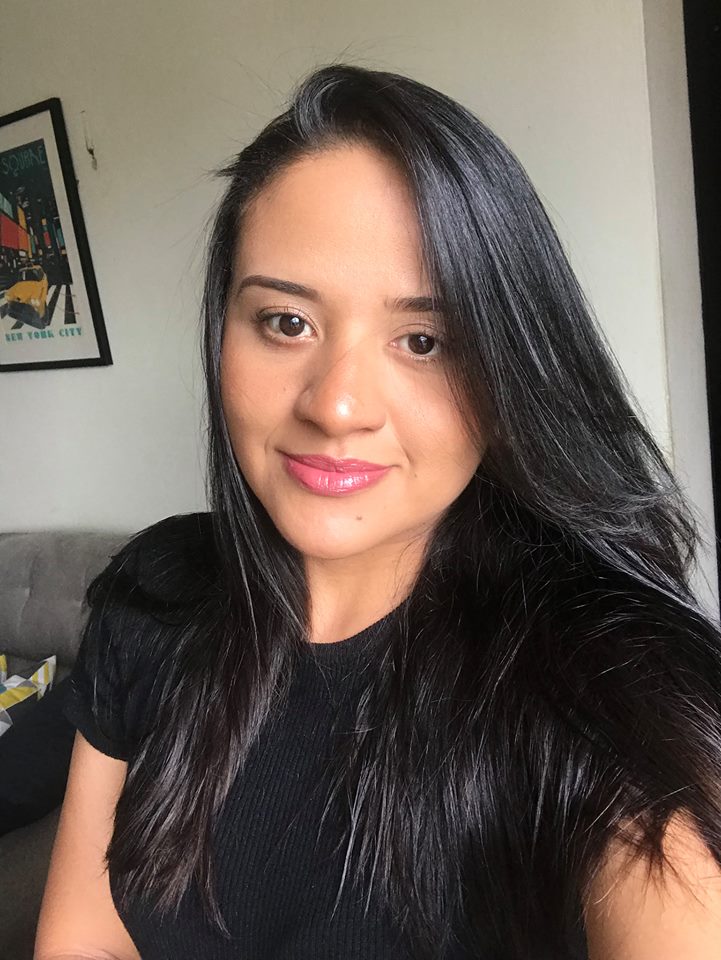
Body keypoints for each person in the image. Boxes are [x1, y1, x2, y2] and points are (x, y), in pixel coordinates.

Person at [35, 63, 721, 960]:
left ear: (510, 372)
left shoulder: (608, 685)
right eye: (286, 322)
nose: (337, 405)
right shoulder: (155, 593)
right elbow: (84, 938)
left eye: (423, 340)